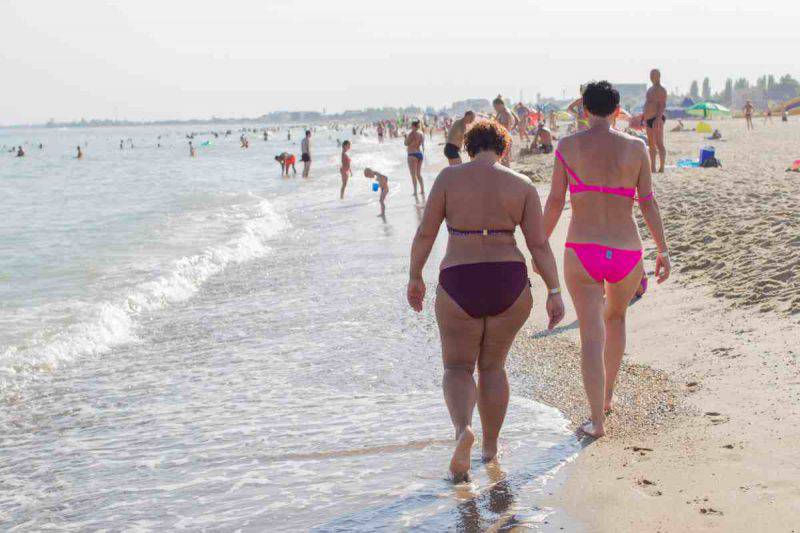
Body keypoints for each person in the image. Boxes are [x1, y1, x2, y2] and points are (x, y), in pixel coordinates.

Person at [407, 119, 564, 481]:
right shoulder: (521, 184)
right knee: (493, 367)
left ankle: (464, 430)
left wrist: (415, 276)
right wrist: (554, 292)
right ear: (504, 148)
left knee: (457, 368)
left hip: (460, 279)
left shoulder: (448, 179)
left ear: (467, 147)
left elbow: (426, 232)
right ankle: (490, 448)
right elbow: (539, 246)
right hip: (508, 281)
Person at [542, 81, 671, 438]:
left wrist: (538, 243)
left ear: (584, 109)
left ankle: (596, 420)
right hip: (626, 249)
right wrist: (663, 250)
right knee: (615, 319)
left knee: (590, 334)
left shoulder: (568, 146)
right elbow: (647, 202)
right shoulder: (637, 147)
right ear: (617, 111)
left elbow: (555, 201)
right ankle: (608, 396)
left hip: (583, 249)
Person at [644, 69, 667, 173]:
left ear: (659, 76)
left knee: (659, 143)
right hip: (648, 119)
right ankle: (652, 167)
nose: (652, 77)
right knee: (651, 144)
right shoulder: (650, 90)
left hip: (657, 119)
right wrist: (644, 117)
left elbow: (662, 105)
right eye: (651, 75)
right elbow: (648, 103)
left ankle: (662, 167)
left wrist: (658, 118)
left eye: (654, 75)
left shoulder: (661, 90)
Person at [493, 96, 518, 166]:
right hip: (507, 136)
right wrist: (511, 129)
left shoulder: (505, 113)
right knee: (504, 159)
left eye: (495, 106)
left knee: (504, 160)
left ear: (500, 105)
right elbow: (517, 121)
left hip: (504, 138)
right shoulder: (503, 112)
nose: (494, 108)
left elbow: (504, 127)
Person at [404, 120, 425, 197]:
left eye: (411, 126)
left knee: (413, 174)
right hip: (419, 154)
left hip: (412, 154)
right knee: (418, 174)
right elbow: (422, 146)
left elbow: (406, 143)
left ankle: (415, 192)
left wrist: (405, 137)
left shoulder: (412, 133)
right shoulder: (421, 134)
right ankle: (422, 190)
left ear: (413, 126)